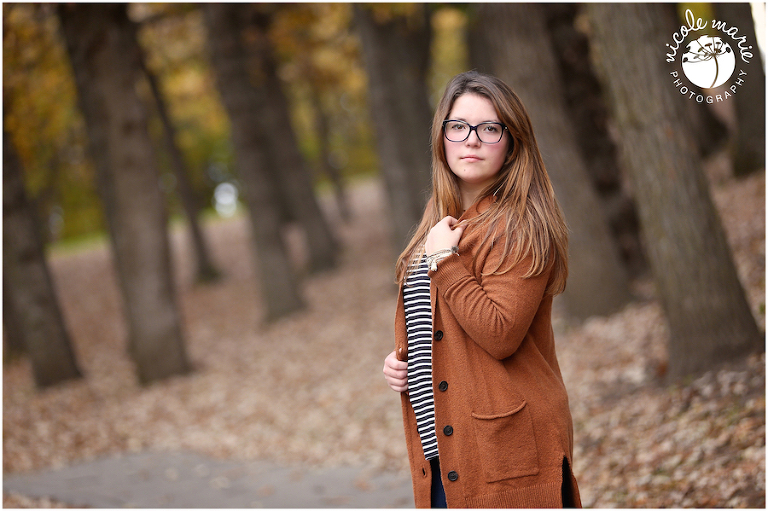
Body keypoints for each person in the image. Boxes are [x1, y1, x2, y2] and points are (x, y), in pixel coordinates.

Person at [382, 71, 581, 508]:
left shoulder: (520, 225)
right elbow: (440, 323)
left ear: (511, 144)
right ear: (442, 138)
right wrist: (408, 361)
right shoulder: (441, 223)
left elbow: (500, 332)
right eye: (458, 126)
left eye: (489, 128)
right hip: (447, 458)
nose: (471, 139)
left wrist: (445, 262)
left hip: (506, 460)